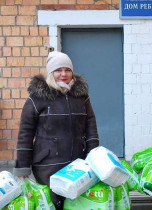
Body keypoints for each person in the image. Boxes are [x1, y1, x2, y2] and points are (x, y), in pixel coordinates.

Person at [13, 51, 99, 209]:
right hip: (48, 165)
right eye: (58, 70)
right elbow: (25, 133)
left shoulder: (81, 97)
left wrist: (93, 156)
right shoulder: (37, 98)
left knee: (76, 204)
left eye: (67, 70)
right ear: (51, 72)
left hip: (77, 164)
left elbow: (90, 124)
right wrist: (23, 167)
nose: (64, 74)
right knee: (53, 204)